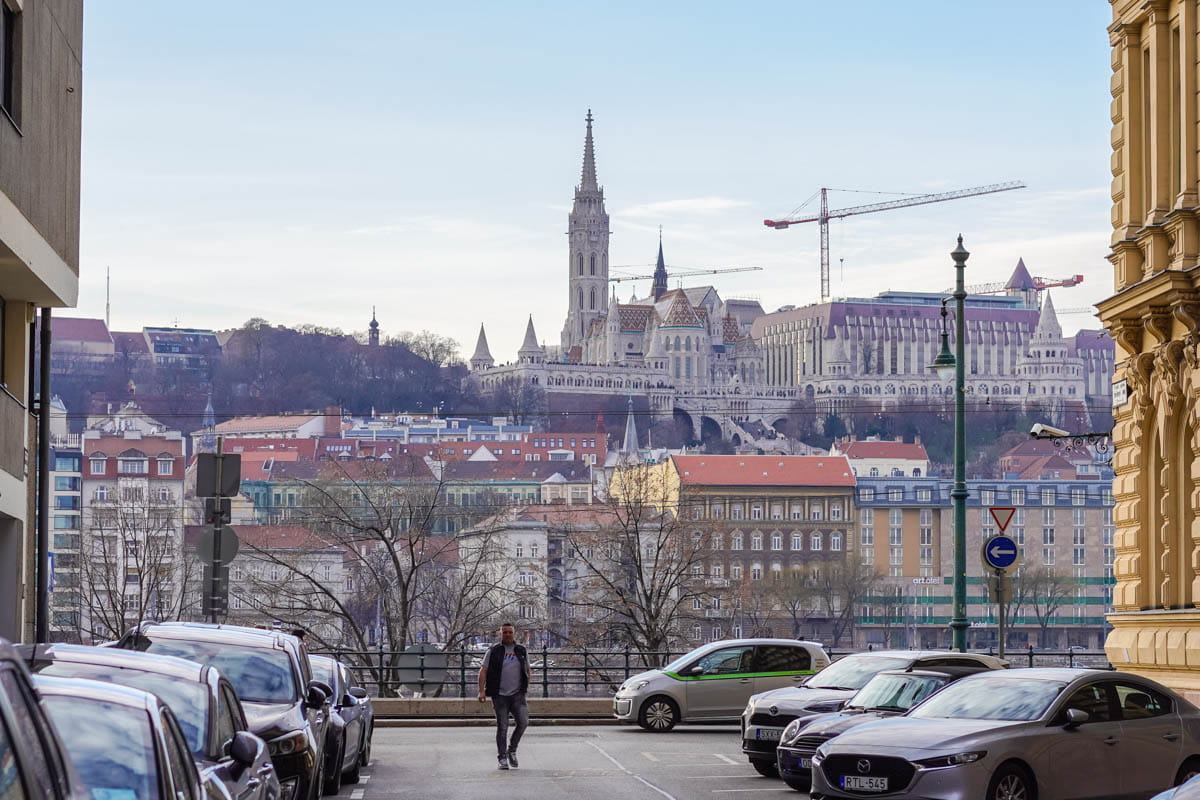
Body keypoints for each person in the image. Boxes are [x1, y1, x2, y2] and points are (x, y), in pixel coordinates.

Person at [477, 622, 531, 770]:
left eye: (510, 632)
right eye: (505, 632)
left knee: (523, 722)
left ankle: (512, 750)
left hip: (517, 694)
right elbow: (483, 671)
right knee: (503, 727)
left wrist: (525, 686)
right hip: (499, 695)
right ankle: (502, 757)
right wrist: (481, 691)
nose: (507, 635)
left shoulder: (521, 650)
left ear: (514, 634)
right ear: (500, 633)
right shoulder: (493, 651)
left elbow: (527, 669)